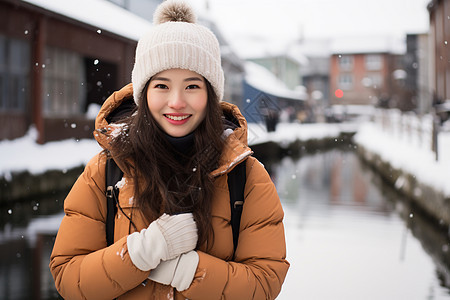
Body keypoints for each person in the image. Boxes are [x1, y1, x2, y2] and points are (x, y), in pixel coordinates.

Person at [49, 1, 289, 299]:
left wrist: (189, 271)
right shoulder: (106, 170)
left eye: (192, 86)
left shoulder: (246, 176)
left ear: (211, 94)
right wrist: (141, 253)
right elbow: (69, 278)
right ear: (143, 93)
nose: (176, 102)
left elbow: (265, 282)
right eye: (162, 86)